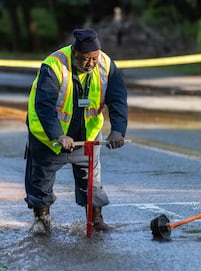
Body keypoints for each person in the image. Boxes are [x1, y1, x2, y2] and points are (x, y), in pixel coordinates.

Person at [24, 28, 128, 235]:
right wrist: (58, 135)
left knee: (92, 181)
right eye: (85, 59)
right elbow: (44, 106)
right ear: (74, 53)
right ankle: (41, 219)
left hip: (87, 137)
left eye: (94, 58)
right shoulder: (54, 66)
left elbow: (117, 98)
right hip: (49, 138)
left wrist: (118, 130)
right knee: (41, 179)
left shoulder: (106, 65)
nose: (90, 63)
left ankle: (96, 220)